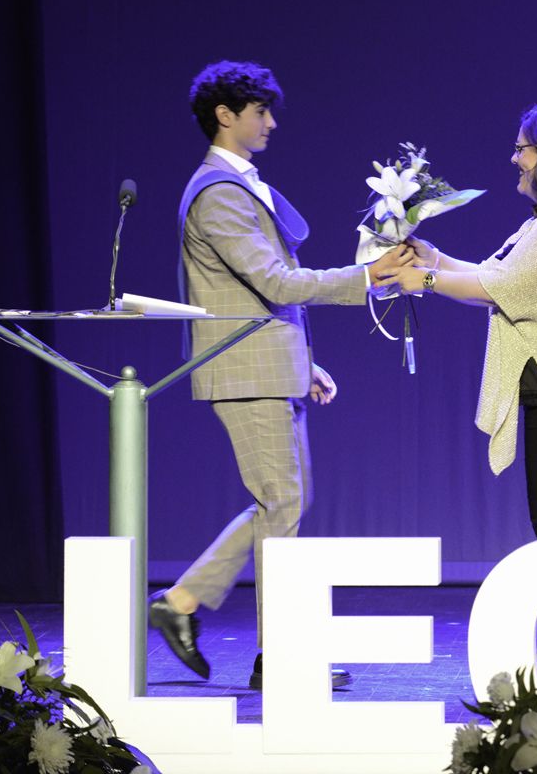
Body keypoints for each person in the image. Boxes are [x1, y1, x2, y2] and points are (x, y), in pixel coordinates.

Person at [149, 60, 410, 690]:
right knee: (282, 502)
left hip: (267, 363)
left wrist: (303, 360)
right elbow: (272, 281)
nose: (270, 122)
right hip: (245, 371)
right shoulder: (217, 193)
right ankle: (278, 656)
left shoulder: (240, 185)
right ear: (225, 115)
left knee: (285, 502)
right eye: (259, 111)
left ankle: (184, 603)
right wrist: (366, 276)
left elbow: (260, 295)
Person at [378, 101, 537, 667]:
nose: (515, 158)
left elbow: (498, 287)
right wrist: (436, 260)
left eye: (523, 147)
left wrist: (424, 278)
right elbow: (498, 275)